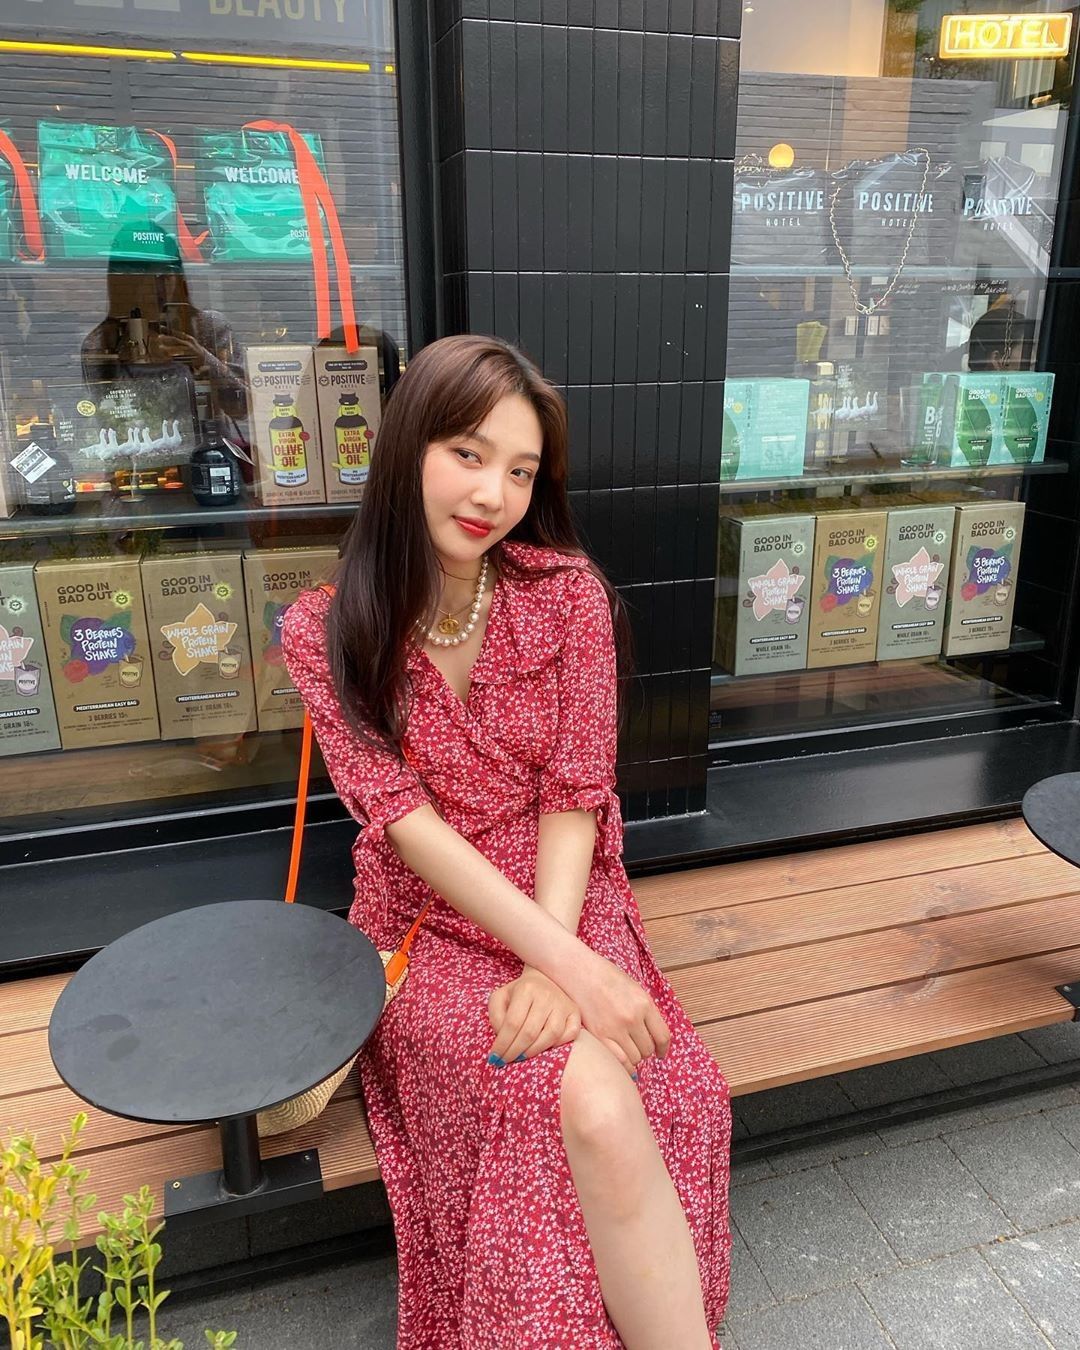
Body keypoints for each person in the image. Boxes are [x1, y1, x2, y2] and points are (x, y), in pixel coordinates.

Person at [282, 334, 733, 1349]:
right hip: (430, 925)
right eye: (469, 454)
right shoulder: (327, 629)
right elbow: (405, 826)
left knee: (656, 1092)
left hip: (568, 890)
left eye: (522, 472)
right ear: (408, 448)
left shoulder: (565, 595)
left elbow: (576, 796)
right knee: (577, 1094)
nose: (494, 494)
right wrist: (572, 971)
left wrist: (558, 960)